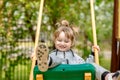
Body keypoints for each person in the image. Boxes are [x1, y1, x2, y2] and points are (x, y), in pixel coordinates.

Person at [36, 20, 120, 80]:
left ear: (71, 43)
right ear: (54, 41)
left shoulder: (75, 57)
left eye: (66, 41)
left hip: (74, 77)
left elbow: (86, 66)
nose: (62, 43)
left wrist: (93, 53)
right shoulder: (52, 55)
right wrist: (36, 59)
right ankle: (45, 61)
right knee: (55, 60)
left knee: (92, 65)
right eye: (59, 40)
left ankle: (109, 77)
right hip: (56, 76)